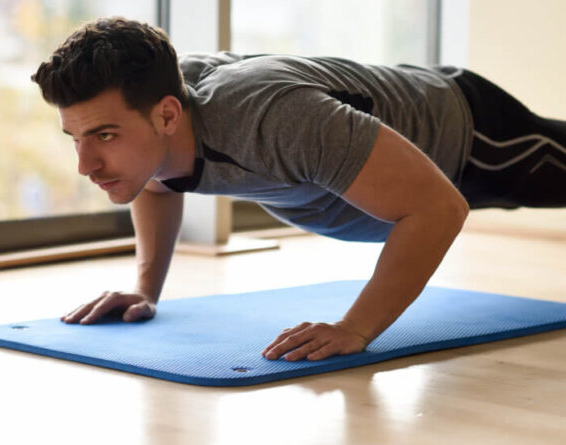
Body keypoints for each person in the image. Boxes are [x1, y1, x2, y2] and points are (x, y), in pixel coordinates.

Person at [31, 17, 566, 362]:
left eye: (103, 136)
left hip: (468, 134)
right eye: (75, 138)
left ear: (168, 115)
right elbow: (154, 178)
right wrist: (147, 288)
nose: (86, 164)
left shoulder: (271, 119)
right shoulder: (159, 127)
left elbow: (438, 208)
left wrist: (355, 329)